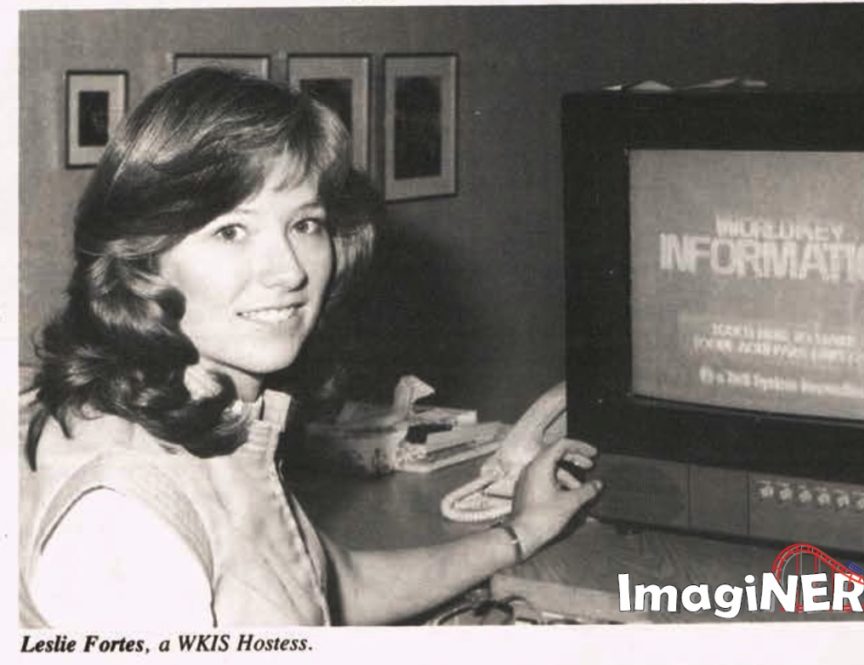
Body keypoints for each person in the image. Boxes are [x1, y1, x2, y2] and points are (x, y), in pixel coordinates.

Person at [20, 67, 601, 628]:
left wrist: (520, 532)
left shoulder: (198, 413)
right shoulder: (123, 523)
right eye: (230, 231)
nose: (290, 271)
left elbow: (331, 585)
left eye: (305, 224)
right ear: (140, 259)